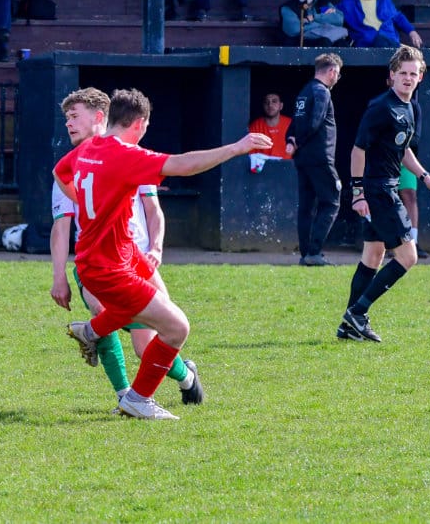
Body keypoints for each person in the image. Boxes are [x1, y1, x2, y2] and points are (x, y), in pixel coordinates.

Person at [54, 88, 271, 420]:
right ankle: (138, 399)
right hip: (109, 268)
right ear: (139, 123)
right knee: (177, 327)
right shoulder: (125, 155)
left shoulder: (88, 149)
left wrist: (86, 204)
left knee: (154, 310)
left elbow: (59, 172)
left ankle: (91, 332)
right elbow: (184, 165)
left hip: (112, 256)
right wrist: (236, 148)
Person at [49, 88, 202, 411]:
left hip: (135, 256)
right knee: (105, 312)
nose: (68, 124)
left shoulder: (130, 154)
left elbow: (153, 209)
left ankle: (186, 378)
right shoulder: (75, 162)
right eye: (66, 118)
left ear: (100, 117)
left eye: (74, 116)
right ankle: (126, 394)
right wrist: (58, 275)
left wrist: (156, 247)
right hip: (98, 262)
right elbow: (61, 226)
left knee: (149, 342)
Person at [339, 45, 430, 343]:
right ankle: (358, 313)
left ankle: (348, 325)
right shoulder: (381, 107)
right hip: (379, 190)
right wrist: (358, 193)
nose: (408, 78)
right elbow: (358, 150)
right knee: (408, 257)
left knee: (373, 255)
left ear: (421, 76)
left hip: (387, 186)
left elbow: (403, 149)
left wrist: (425, 177)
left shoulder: (409, 107)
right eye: (403, 73)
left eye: (414, 73)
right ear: (392, 75)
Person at [286, 53, 342, 267]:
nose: (337, 78)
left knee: (307, 206)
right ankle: (314, 252)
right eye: (338, 74)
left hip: (303, 159)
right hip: (320, 157)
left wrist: (291, 140)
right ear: (332, 71)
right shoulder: (322, 92)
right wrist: (298, 141)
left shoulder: (305, 91)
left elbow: (294, 123)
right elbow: (314, 122)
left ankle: (306, 254)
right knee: (332, 200)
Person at [397, 97, 429, 259]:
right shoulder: (380, 104)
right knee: (386, 199)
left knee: (410, 196)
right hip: (384, 160)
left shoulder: (414, 106)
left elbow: (415, 138)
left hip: (406, 158)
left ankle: (413, 241)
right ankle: (391, 244)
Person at [337, 0, 422, 48]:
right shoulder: (347, 4)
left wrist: (411, 32)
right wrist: (330, 11)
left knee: (383, 41)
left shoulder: (384, 1)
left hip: (389, 41)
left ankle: (401, 50)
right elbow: (333, 13)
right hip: (367, 45)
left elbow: (397, 16)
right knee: (380, 41)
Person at [279, 0, 350, 47]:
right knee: (324, 42)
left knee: (342, 44)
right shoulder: (289, 7)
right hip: (303, 42)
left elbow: (339, 20)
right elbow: (294, 30)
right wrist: (324, 21)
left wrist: (314, 18)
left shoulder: (323, 3)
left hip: (328, 36)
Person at [249, 92, 292, 160]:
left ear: (281, 106)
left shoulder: (290, 124)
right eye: (266, 102)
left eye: (274, 101)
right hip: (263, 166)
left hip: (287, 165)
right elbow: (251, 154)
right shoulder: (255, 126)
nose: (270, 105)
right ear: (263, 105)